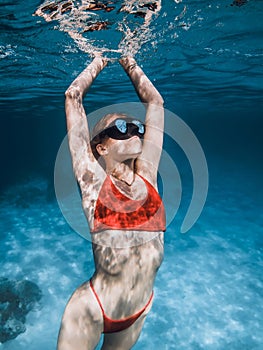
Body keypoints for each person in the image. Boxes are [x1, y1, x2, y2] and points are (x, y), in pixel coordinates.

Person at [57, 55, 165, 350]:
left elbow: (155, 104)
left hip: (139, 309)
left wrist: (130, 62)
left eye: (135, 127)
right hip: (92, 310)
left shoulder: (149, 178)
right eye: (120, 127)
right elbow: (72, 97)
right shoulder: (93, 181)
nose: (132, 130)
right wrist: (99, 60)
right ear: (101, 147)